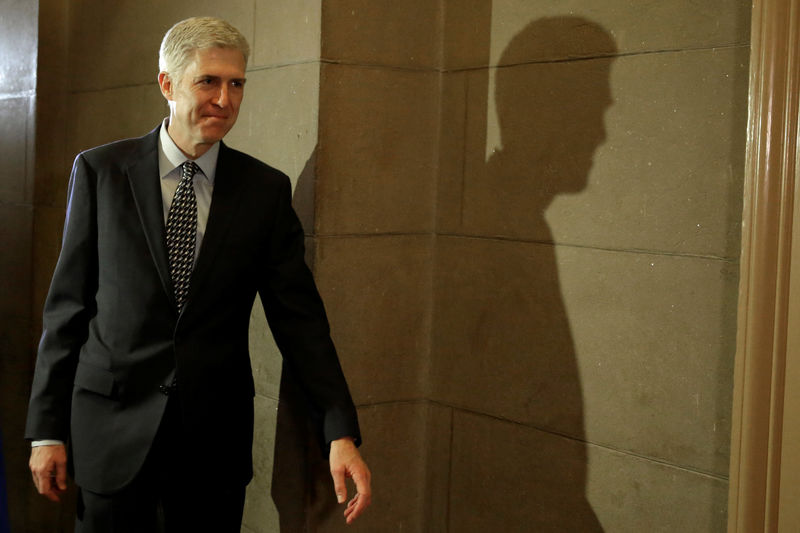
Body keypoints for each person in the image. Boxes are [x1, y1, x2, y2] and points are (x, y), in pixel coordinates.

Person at [25, 16, 371, 532]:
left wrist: (339, 431)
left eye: (237, 84)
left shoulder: (263, 192)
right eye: (208, 81)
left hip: (212, 442)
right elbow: (67, 310)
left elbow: (301, 323)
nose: (225, 99)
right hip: (110, 432)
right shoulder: (101, 173)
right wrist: (46, 430)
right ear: (167, 84)